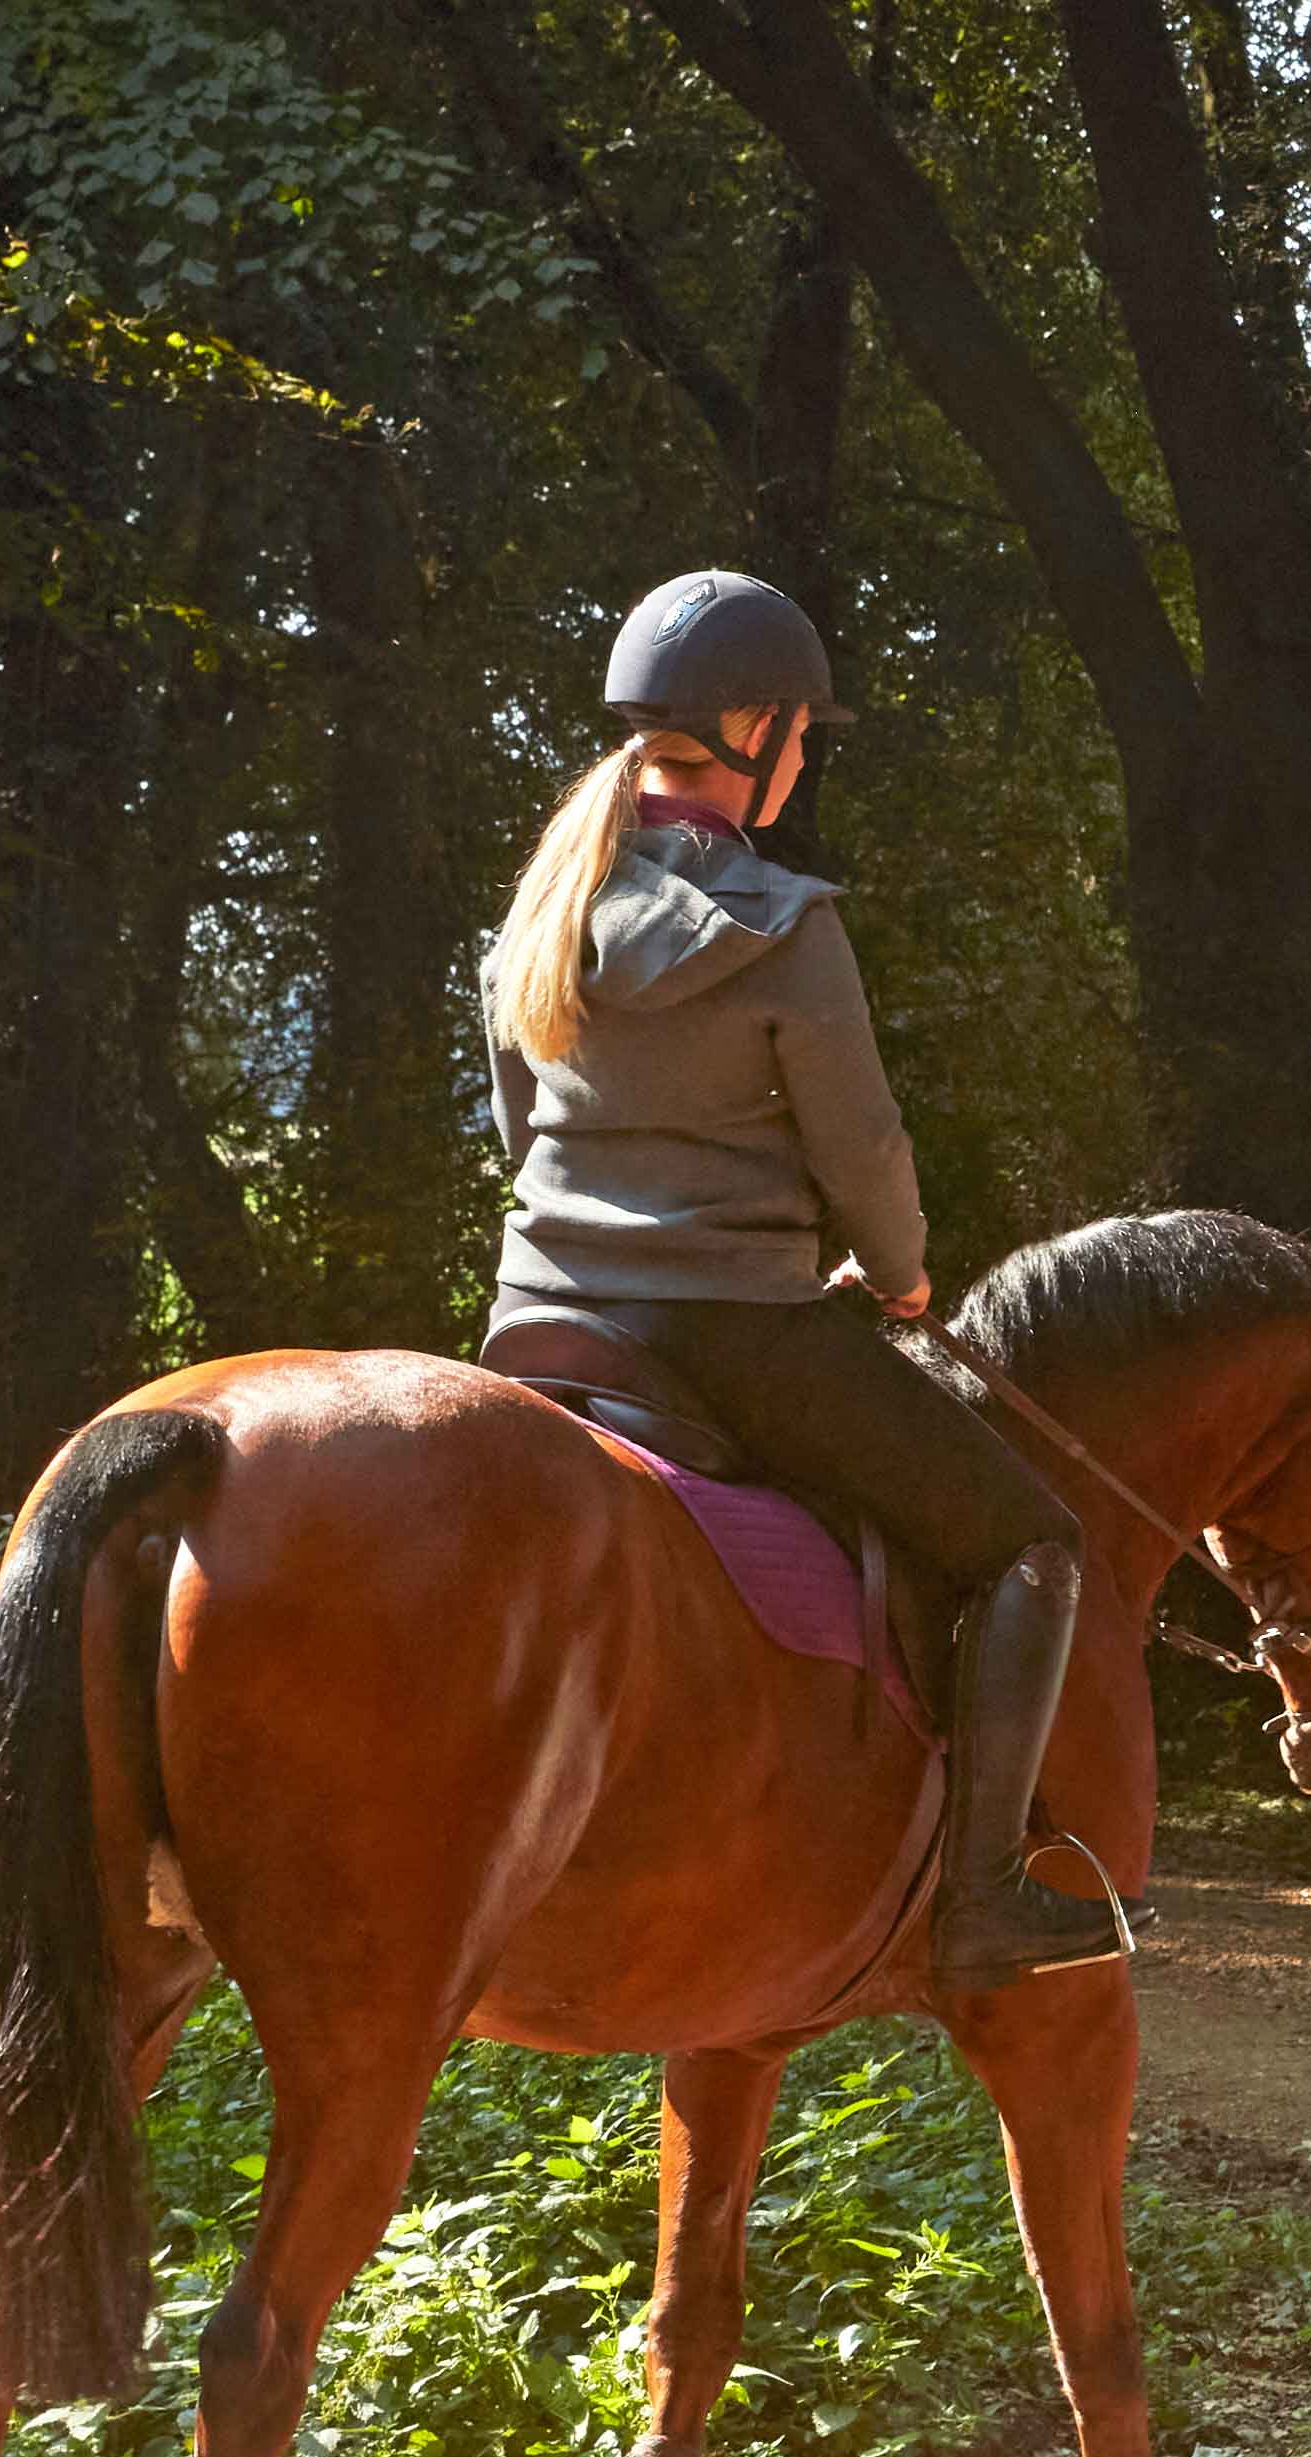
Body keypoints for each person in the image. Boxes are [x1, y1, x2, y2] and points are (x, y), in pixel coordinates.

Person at [471, 570, 1127, 1989]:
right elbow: (862, 1142)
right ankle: (983, 1900)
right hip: (733, 1329)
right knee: (1034, 1545)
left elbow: (521, 1131)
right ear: (753, 728)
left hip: (540, 1319)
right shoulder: (783, 925)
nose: (808, 757)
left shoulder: (540, 914)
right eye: (805, 736)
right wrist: (898, 1278)